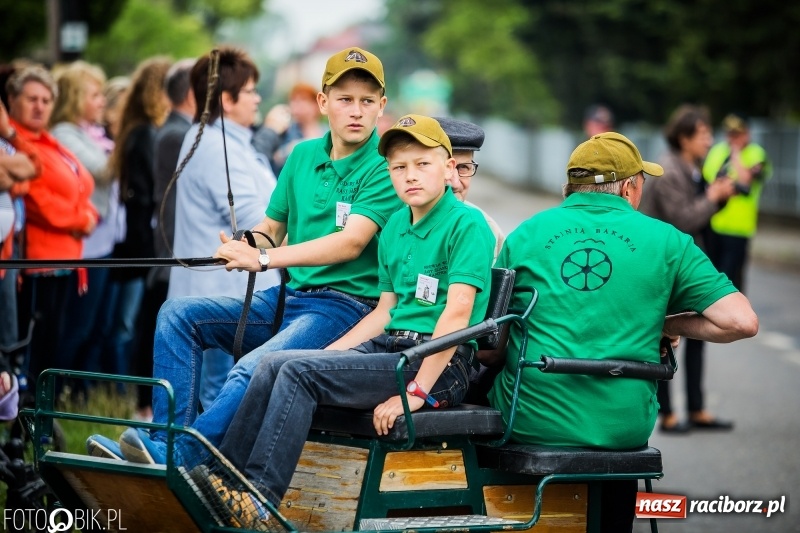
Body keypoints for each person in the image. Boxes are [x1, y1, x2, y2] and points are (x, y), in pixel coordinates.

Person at [86, 46, 402, 463]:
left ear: (381, 107)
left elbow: (351, 242)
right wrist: (246, 245)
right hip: (290, 299)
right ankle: (163, 443)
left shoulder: (384, 164)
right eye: (345, 99)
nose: (356, 111)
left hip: (344, 308)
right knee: (176, 316)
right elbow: (272, 229)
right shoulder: (303, 156)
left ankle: (181, 458)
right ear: (324, 103)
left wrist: (266, 260)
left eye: (367, 101)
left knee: (251, 367)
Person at [198, 114, 495, 530]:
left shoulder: (467, 225)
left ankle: (259, 501)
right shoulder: (395, 225)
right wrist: (329, 354)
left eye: (422, 164)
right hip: (394, 348)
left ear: (449, 168)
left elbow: (458, 315)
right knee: (276, 363)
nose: (409, 176)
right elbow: (385, 312)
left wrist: (417, 392)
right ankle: (217, 482)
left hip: (439, 364)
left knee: (299, 374)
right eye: (398, 167)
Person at [484, 132, 758, 530]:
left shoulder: (525, 234)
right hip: (621, 428)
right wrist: (667, 323)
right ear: (630, 187)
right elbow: (742, 321)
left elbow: (494, 345)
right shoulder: (668, 241)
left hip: (531, 421)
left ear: (569, 187)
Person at [168, 48, 280, 409]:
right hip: (220, 293)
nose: (258, 98)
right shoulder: (216, 146)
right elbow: (254, 217)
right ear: (227, 100)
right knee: (218, 392)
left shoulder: (229, 141)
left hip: (231, 291)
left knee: (221, 389)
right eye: (250, 91)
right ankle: (202, 460)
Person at [640, 105, 737, 433]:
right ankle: (667, 414)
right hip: (664, 267)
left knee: (699, 333)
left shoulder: (691, 168)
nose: (710, 139)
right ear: (683, 138)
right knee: (664, 334)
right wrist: (712, 197)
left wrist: (718, 196)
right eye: (703, 134)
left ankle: (696, 408)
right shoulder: (669, 170)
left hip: (686, 265)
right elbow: (682, 221)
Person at [6, 65, 98, 385]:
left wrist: (89, 216)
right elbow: (37, 200)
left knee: (54, 344)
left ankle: (44, 415)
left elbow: (83, 186)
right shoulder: (17, 145)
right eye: (32, 98)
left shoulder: (48, 142)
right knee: (35, 349)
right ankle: (29, 415)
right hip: (38, 261)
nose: (39, 106)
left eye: (46, 99)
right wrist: (80, 219)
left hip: (67, 257)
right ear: (12, 100)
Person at [133, 58, 196, 421]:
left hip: (173, 251)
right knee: (157, 330)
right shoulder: (176, 134)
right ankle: (152, 411)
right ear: (191, 93)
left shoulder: (178, 130)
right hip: (171, 253)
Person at [49, 61, 120, 380]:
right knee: (76, 326)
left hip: (100, 243)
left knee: (92, 325)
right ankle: (58, 393)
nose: (102, 101)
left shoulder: (87, 133)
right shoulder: (64, 134)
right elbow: (104, 170)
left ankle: (77, 394)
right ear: (76, 98)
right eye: (95, 95)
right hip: (84, 245)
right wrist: (130, 133)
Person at [106, 57, 172, 379]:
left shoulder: (140, 130)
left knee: (131, 322)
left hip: (138, 240)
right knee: (130, 323)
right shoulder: (144, 133)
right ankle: (124, 392)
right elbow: (147, 195)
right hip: (140, 243)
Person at [702, 113, 772, 293]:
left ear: (747, 133)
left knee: (732, 281)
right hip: (715, 224)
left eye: (737, 134)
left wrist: (736, 153)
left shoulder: (756, 154)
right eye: (729, 133)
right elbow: (709, 182)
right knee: (712, 278)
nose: (732, 138)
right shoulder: (717, 151)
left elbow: (746, 179)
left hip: (739, 228)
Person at [434, 116, 505, 259]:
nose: (454, 183)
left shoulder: (487, 229)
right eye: (445, 168)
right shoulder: (392, 220)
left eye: (463, 168)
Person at [253, 82, 325, 175]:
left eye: (302, 100)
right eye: (293, 100)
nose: (296, 105)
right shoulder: (285, 131)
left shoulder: (328, 131)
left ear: (316, 104)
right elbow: (272, 159)